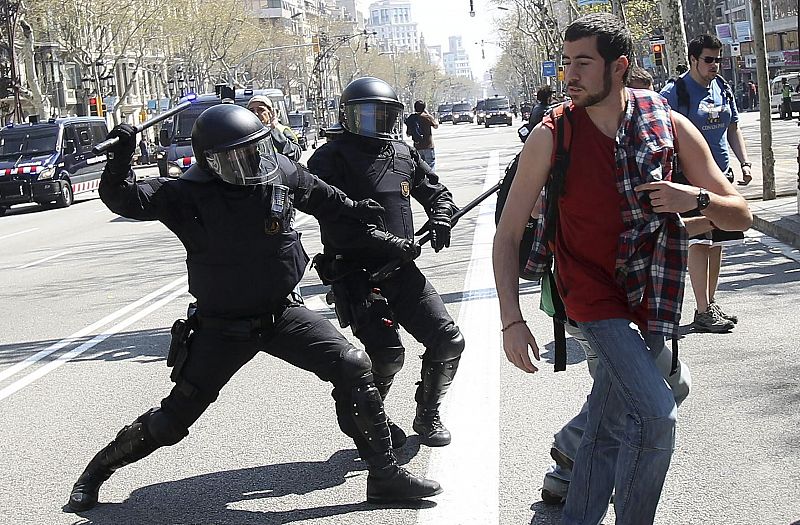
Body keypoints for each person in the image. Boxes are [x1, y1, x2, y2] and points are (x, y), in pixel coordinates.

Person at [65, 103, 442, 513]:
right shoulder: (185, 193)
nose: (249, 163)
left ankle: (385, 477)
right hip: (222, 326)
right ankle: (95, 472)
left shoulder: (278, 171)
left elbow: (322, 196)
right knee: (175, 418)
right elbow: (123, 198)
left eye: (254, 150)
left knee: (352, 364)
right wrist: (121, 157)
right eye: (235, 158)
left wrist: (357, 212)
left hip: (282, 314)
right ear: (209, 162)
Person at [493, 13, 752, 524]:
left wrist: (692, 197)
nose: (570, 75)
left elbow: (739, 211)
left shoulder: (668, 124)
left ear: (619, 67)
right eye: (566, 63)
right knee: (656, 411)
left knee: (611, 423)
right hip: (587, 296)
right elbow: (508, 234)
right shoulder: (553, 135)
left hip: (649, 291)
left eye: (583, 63)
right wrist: (511, 319)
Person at [538, 58, 693, 505]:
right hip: (588, 301)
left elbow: (716, 214)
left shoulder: (656, 138)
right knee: (656, 402)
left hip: (641, 298)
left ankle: (570, 468)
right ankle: (577, 467)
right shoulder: (559, 133)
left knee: (645, 394)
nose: (638, 119)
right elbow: (524, 219)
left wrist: (688, 205)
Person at [308, 77, 463, 448]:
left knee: (447, 340)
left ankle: (427, 413)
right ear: (347, 116)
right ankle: (363, 417)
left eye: (383, 115)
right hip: (356, 274)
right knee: (387, 355)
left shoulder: (402, 152)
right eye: (365, 115)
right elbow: (335, 220)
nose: (374, 122)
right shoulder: (329, 159)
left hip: (402, 270)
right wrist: (389, 242)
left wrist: (442, 215)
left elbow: (437, 192)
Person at [661, 34, 753, 333]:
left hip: (721, 177)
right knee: (699, 241)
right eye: (708, 60)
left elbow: (733, 128)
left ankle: (709, 303)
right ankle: (701, 309)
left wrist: (745, 162)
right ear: (693, 60)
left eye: (718, 59)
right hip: (690, 181)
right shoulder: (676, 92)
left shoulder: (722, 88)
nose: (715, 66)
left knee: (717, 243)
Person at [246, 95, 302, 162]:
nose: (256, 113)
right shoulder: (245, 134)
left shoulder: (282, 130)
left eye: (261, 110)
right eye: (252, 110)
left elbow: (294, 155)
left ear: (271, 112)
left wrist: (272, 130)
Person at [404, 100, 439, 169]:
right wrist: (428, 114)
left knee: (421, 167)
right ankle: (431, 179)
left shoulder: (411, 118)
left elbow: (408, 134)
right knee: (430, 165)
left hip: (417, 147)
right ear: (424, 108)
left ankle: (423, 180)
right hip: (428, 146)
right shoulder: (427, 117)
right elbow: (436, 126)